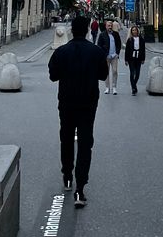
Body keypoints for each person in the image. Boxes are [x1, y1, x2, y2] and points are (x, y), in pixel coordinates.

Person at [48, 15, 108, 208]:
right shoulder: (96, 52)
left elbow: (53, 76)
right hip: (88, 104)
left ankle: (67, 176)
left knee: (66, 139)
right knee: (85, 143)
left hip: (66, 103)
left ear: (72, 30)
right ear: (88, 30)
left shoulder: (61, 52)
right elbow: (103, 75)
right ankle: (80, 188)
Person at [97, 19, 122, 94]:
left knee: (115, 71)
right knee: (106, 72)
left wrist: (117, 53)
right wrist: (103, 55)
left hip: (114, 56)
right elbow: (99, 45)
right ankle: (107, 87)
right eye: (108, 26)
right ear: (106, 26)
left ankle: (114, 87)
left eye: (111, 26)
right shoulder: (102, 35)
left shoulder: (115, 34)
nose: (110, 27)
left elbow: (119, 44)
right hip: (106, 56)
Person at [124, 25, 146, 95]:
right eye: (133, 30)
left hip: (139, 58)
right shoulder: (130, 40)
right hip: (131, 58)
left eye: (135, 30)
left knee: (137, 73)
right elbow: (127, 50)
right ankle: (133, 88)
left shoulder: (141, 39)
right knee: (132, 73)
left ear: (137, 31)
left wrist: (143, 59)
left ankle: (134, 84)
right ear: (131, 32)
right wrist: (126, 60)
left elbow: (143, 50)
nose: (134, 31)